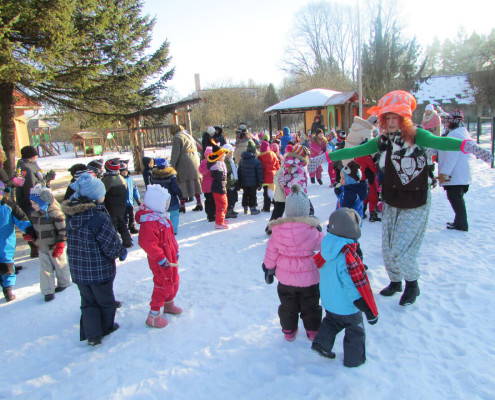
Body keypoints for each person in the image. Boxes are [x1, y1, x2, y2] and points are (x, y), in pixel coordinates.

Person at [307, 90, 493, 306]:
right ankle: (395, 282)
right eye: (388, 117)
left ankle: (412, 285)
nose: (392, 121)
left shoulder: (417, 135)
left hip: (416, 201)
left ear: (404, 118)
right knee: (388, 248)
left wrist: (467, 146)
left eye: (396, 117)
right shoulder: (382, 141)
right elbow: (356, 149)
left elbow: (441, 143)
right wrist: (324, 157)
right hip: (392, 199)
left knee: (403, 249)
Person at [62, 172, 127, 346]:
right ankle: (106, 327)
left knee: (88, 301)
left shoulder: (71, 215)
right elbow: (109, 242)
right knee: (105, 301)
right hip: (99, 270)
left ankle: (93, 334)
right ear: (95, 197)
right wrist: (120, 251)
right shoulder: (98, 217)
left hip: (79, 270)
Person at [311, 208, 378, 367]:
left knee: (332, 322)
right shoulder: (346, 256)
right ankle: (354, 360)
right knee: (356, 331)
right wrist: (363, 304)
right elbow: (352, 285)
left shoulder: (327, 247)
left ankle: (321, 344)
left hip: (329, 300)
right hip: (347, 306)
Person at [262, 184, 324, 341]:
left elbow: (271, 252)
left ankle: (288, 330)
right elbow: (325, 246)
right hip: (309, 278)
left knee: (287, 307)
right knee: (311, 306)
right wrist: (320, 230)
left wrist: (269, 269)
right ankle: (313, 330)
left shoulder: (278, 230)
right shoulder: (312, 230)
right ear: (306, 210)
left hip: (285, 279)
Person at [136, 185, 181, 329]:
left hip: (170, 256)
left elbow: (171, 236)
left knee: (173, 280)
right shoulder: (149, 222)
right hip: (160, 260)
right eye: (165, 203)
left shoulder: (162, 217)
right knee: (162, 284)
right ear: (156, 203)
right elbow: (147, 243)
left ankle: (168, 304)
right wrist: (161, 259)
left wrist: (176, 250)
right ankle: (153, 316)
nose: (167, 206)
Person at [29, 185, 71, 302]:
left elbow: (63, 230)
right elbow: (34, 229)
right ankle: (47, 291)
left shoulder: (55, 214)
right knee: (45, 269)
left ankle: (64, 283)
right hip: (42, 247)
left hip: (55, 246)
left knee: (60, 265)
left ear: (42, 202)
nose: (32, 206)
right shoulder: (34, 215)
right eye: (31, 203)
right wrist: (31, 236)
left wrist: (61, 244)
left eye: (35, 203)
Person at [0, 181, 35, 301]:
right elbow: (22, 220)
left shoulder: (9, 206)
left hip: (5, 243)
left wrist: (29, 229)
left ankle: (8, 291)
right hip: (5, 244)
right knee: (7, 266)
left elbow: (21, 219)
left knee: (7, 266)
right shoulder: (9, 205)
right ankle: (8, 290)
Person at [437, 110, 471, 232]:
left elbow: (452, 156)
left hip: (455, 174)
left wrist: (444, 173)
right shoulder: (458, 133)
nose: (446, 123)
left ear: (454, 121)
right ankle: (459, 221)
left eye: (448, 120)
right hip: (459, 174)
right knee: (456, 198)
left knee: (455, 198)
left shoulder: (455, 135)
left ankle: (461, 224)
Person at [169, 125, 203, 213]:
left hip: (185, 161)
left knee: (183, 183)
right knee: (195, 181)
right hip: (195, 160)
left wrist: (171, 165)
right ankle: (199, 203)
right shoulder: (188, 135)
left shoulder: (177, 137)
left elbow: (175, 153)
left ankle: (182, 205)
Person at [102, 158, 133, 248]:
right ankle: (127, 241)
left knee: (113, 227)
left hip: (110, 208)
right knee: (122, 225)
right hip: (121, 207)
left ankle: (114, 244)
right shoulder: (122, 179)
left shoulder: (106, 180)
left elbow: (103, 193)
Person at [150, 158, 183, 235]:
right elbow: (175, 187)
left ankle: (163, 229)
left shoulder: (154, 175)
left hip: (159, 199)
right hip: (170, 198)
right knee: (174, 213)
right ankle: (173, 230)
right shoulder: (171, 175)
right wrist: (180, 194)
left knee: (161, 215)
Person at [207, 143, 230, 229]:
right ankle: (219, 223)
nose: (224, 157)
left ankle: (221, 219)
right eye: (223, 156)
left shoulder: (220, 164)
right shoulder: (216, 166)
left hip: (221, 187)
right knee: (222, 204)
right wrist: (221, 170)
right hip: (218, 188)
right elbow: (220, 177)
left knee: (225, 204)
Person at [237, 140, 263, 215]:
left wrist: (239, 182)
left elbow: (239, 172)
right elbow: (259, 173)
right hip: (253, 183)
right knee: (252, 195)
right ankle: (253, 209)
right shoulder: (256, 161)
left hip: (244, 182)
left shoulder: (241, 160)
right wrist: (260, 182)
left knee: (245, 194)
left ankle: (245, 207)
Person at [119, 160, 141, 235]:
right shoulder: (119, 180)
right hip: (122, 203)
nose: (124, 172)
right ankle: (125, 230)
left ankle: (132, 227)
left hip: (130, 202)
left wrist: (137, 199)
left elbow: (134, 189)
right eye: (122, 171)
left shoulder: (130, 179)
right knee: (124, 217)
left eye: (125, 171)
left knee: (131, 216)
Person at [257, 141, 280, 212]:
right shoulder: (273, 154)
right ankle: (277, 206)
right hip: (273, 176)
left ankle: (266, 208)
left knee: (266, 194)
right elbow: (277, 165)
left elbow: (260, 168)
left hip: (265, 178)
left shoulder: (260, 157)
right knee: (274, 192)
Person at [198, 147, 216, 222]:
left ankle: (209, 215)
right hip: (212, 184)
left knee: (208, 200)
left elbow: (201, 171)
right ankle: (213, 215)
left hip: (205, 185)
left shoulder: (203, 162)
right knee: (213, 201)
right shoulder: (212, 163)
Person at [222, 143, 239, 219]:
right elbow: (227, 173)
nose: (231, 154)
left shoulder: (231, 160)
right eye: (230, 153)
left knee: (234, 197)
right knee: (230, 197)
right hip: (229, 183)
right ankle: (228, 211)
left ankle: (232, 209)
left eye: (232, 152)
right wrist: (232, 182)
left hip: (233, 181)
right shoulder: (225, 161)